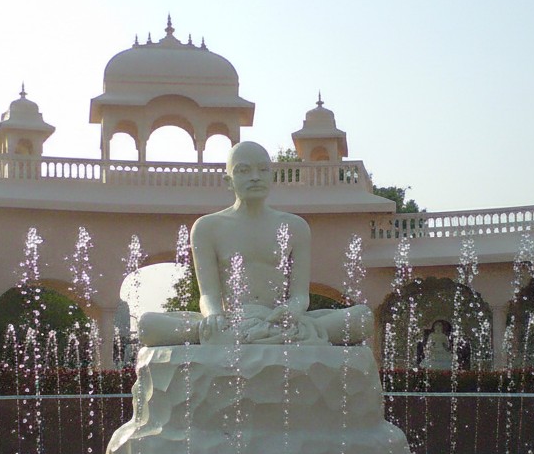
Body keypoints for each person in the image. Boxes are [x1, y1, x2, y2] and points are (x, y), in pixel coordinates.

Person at [139, 141, 373, 346]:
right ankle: (253, 334)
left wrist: (291, 311)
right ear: (228, 181)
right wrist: (214, 315)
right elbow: (208, 294)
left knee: (362, 317)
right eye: (243, 170)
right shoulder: (207, 227)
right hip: (231, 321)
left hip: (280, 320)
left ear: (271, 176)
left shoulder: (295, 227)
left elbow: (300, 296)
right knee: (147, 325)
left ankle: (259, 334)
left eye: (263, 170)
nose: (255, 177)